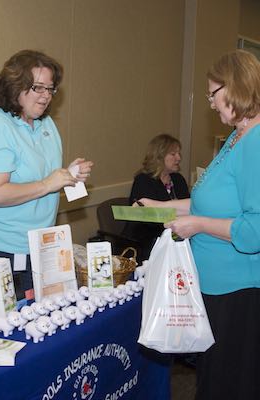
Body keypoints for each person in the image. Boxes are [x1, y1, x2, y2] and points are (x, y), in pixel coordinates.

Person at [136, 50, 260, 399]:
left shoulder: (255, 141)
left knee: (227, 385)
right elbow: (209, 201)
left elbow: (254, 231)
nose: (210, 104)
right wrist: (163, 207)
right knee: (213, 379)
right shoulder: (236, 137)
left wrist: (200, 225)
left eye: (212, 94)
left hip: (238, 292)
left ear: (234, 87)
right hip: (215, 286)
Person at [0, 50, 93, 300]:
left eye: (50, 89)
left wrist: (66, 176)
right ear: (15, 86)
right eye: (38, 88)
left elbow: (36, 179)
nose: (46, 96)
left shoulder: (46, 124)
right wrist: (48, 183)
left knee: (28, 319)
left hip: (31, 243)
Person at [125, 134, 190, 261]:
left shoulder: (178, 179)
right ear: (159, 157)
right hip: (148, 243)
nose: (179, 158)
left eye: (178, 153)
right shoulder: (143, 180)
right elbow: (149, 220)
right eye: (173, 154)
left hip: (175, 238)